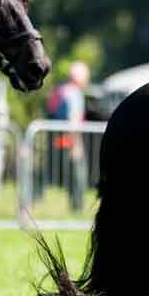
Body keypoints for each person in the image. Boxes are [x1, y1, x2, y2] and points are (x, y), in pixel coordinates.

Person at [45, 60, 90, 212]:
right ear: (79, 78)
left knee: (49, 175)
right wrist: (77, 145)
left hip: (56, 142)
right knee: (78, 178)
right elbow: (74, 119)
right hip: (70, 143)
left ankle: (30, 202)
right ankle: (77, 209)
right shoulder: (74, 93)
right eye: (86, 77)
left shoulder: (60, 90)